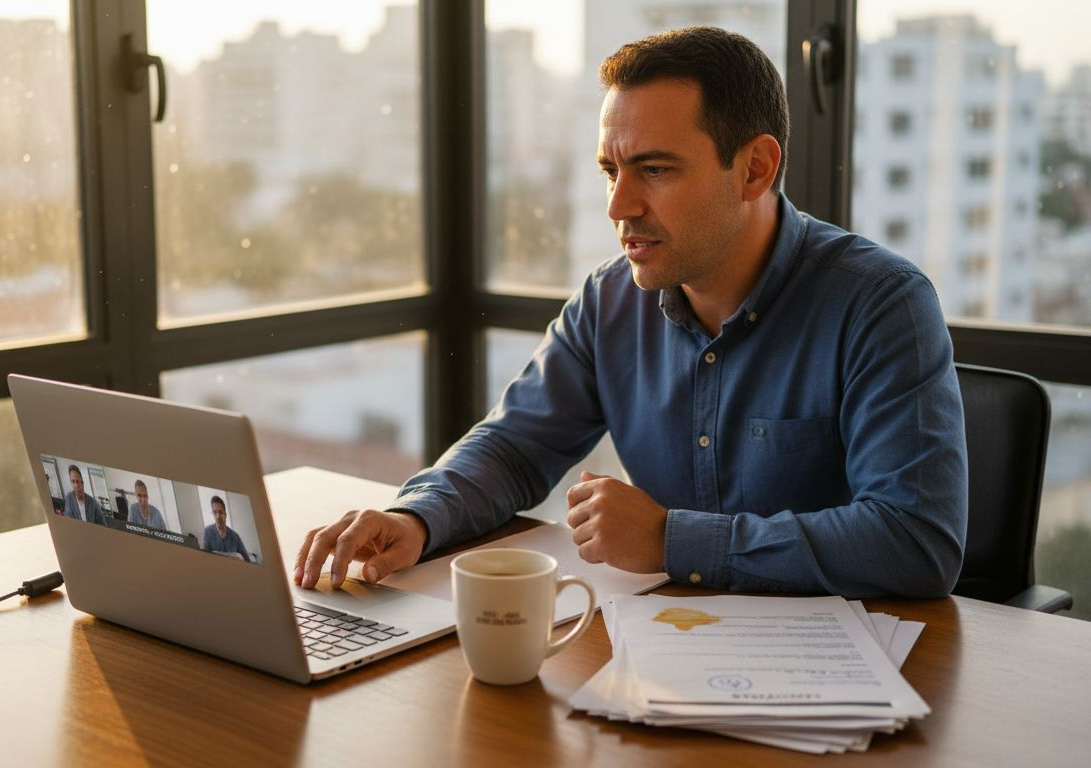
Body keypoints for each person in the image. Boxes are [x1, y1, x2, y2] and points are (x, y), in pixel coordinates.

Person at [295, 26, 966, 600]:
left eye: (654, 170)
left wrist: (672, 540)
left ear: (756, 169)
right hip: (666, 650)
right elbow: (512, 447)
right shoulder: (611, 300)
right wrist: (417, 518)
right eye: (610, 171)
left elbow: (914, 540)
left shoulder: (881, 304)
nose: (618, 207)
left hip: (841, 687)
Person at [202, 495, 251, 561]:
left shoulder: (235, 537)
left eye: (220, 512)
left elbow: (247, 561)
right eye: (215, 512)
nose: (218, 516)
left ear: (225, 515)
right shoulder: (207, 532)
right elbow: (205, 559)